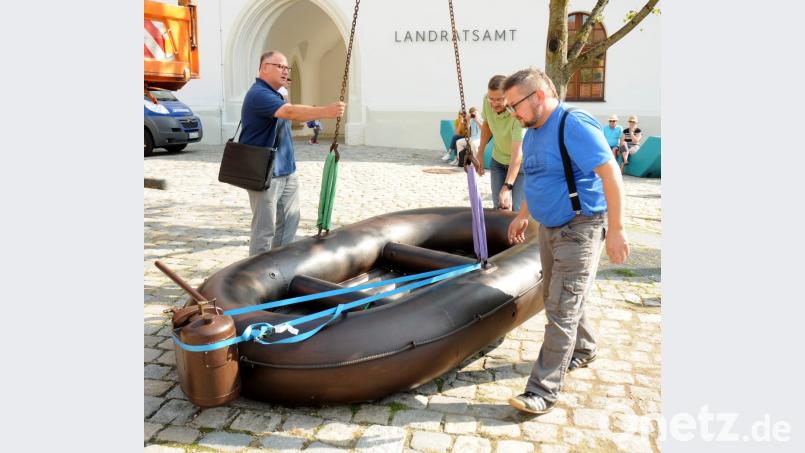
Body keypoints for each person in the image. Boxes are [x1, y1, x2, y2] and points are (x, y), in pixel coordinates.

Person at [502, 67, 630, 415]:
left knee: (561, 305)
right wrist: (523, 213)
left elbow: (611, 173)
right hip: (549, 227)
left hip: (581, 226)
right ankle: (584, 348)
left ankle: (541, 391)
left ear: (538, 96)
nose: (513, 112)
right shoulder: (531, 132)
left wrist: (617, 229)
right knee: (561, 296)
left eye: (515, 105)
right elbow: (538, 174)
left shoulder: (573, 123)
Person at [240, 50, 345, 256]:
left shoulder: (276, 94)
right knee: (264, 231)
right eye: (279, 66)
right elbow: (289, 112)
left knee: (289, 224)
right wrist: (326, 111)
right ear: (263, 68)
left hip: (286, 170)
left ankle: (278, 269)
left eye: (286, 67)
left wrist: (284, 91)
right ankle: (255, 280)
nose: (285, 71)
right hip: (264, 173)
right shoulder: (258, 94)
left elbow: (286, 105)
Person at [475, 75, 527, 211]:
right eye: (491, 99)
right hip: (498, 161)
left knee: (517, 210)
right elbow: (487, 125)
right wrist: (480, 153)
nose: (494, 103)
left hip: (520, 165)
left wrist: (507, 186)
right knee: (498, 207)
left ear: (508, 97)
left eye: (499, 99)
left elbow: (517, 155)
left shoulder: (518, 113)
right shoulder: (487, 101)